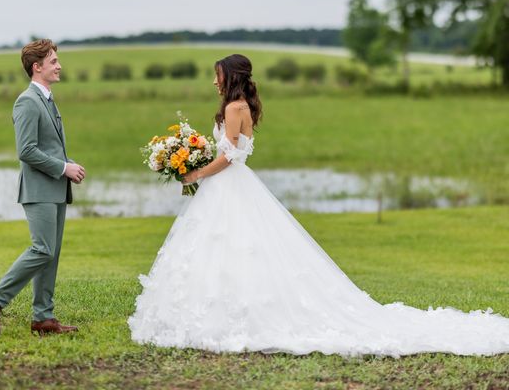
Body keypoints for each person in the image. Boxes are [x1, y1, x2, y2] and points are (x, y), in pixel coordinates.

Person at [128, 53, 509, 356]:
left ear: (231, 77)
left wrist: (195, 173)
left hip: (228, 183)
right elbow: (232, 151)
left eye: (218, 75)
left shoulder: (232, 108)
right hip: (235, 185)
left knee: (229, 243)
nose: (214, 81)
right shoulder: (244, 105)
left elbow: (228, 157)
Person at [0, 39, 85, 336]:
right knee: (42, 249)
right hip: (38, 189)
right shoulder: (27, 100)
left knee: (52, 253)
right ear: (36, 67)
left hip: (55, 189)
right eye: (53, 61)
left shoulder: (48, 98)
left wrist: (66, 163)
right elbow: (26, 150)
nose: (59, 65)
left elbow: (46, 146)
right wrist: (63, 167)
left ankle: (43, 318)